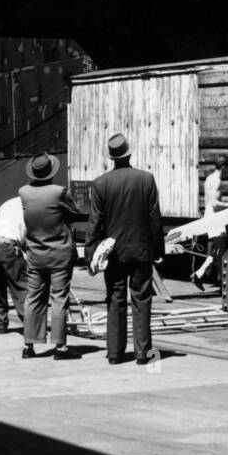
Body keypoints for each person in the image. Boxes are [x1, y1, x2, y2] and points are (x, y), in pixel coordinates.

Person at [85, 133, 164, 367]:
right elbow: (154, 219)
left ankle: (115, 354)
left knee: (115, 299)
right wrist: (158, 250)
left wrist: (91, 254)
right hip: (141, 251)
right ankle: (143, 354)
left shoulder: (101, 183)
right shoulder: (146, 179)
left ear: (112, 157)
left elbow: (95, 223)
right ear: (129, 154)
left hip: (114, 253)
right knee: (142, 299)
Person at [18, 153, 81, 361]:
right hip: (59, 254)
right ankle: (60, 347)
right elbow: (75, 212)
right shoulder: (58, 192)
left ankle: (29, 345)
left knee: (34, 298)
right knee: (59, 299)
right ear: (50, 172)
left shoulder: (24, 192)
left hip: (35, 253)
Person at [0, 194, 27, 334]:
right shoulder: (31, 205)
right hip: (6, 243)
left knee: (0, 284)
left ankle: (1, 324)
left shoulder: (10, 202)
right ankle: (31, 326)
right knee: (20, 285)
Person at [193, 156, 228, 291]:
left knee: (215, 250)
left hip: (209, 214)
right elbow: (215, 203)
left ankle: (199, 274)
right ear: (224, 167)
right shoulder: (217, 181)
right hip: (215, 216)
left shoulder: (208, 179)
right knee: (221, 251)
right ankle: (223, 283)